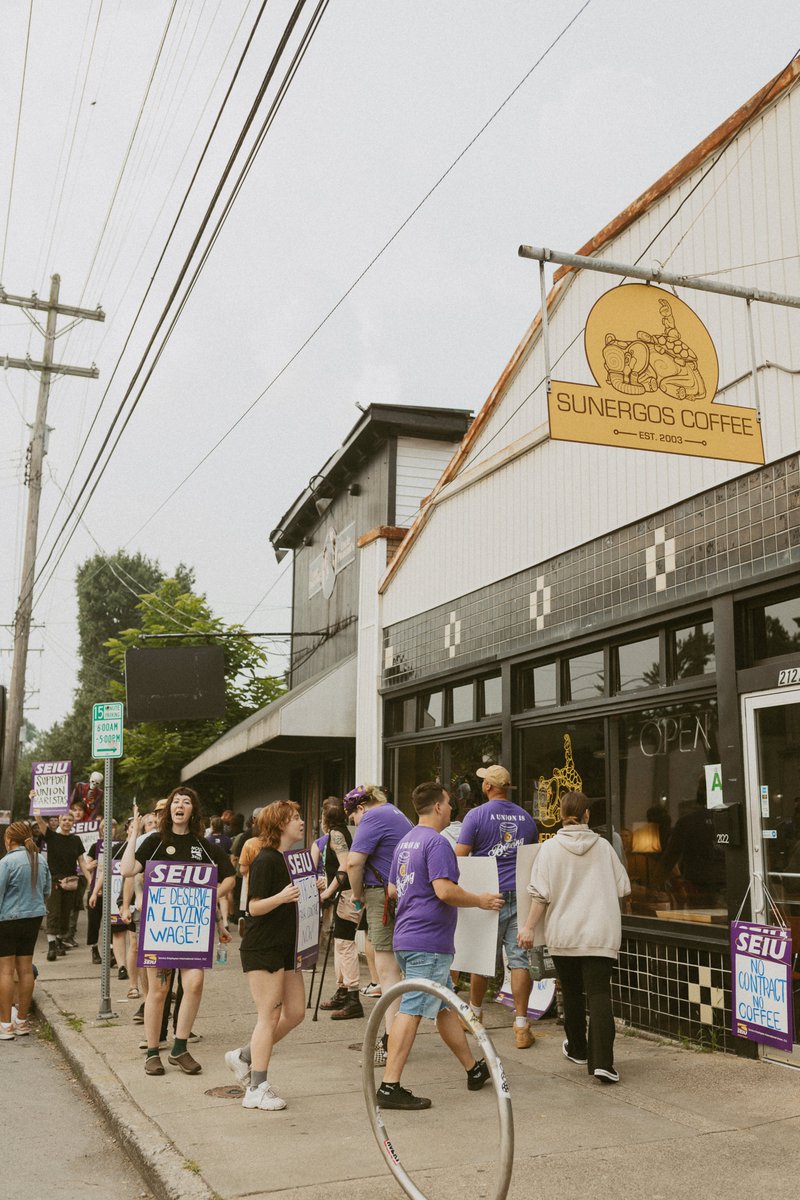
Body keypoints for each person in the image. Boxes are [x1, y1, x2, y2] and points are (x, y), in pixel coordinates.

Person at [375, 781, 504, 1110]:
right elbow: (445, 891)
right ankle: (390, 1086)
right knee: (414, 1009)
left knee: (446, 1006)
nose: (451, 808)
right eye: (448, 804)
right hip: (428, 940)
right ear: (438, 807)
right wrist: (481, 900)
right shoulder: (436, 843)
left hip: (408, 937)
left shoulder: (406, 841)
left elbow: (392, 889)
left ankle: (473, 1069)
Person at [517, 790, 631, 1084]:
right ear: (587, 815)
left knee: (571, 992)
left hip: (564, 934)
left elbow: (540, 896)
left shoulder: (550, 849)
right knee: (599, 993)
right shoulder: (604, 847)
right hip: (600, 933)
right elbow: (623, 888)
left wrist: (528, 927)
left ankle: (578, 1049)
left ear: (562, 814)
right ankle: (604, 1062)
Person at [120, 787, 234, 1076]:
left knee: (194, 984)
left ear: (193, 810)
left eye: (186, 802)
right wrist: (134, 832)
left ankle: (179, 1047)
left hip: (193, 931)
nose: (180, 806)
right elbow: (127, 869)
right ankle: (151, 1051)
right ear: (169, 809)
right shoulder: (155, 842)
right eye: (176, 802)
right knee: (158, 991)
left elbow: (230, 875)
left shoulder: (203, 845)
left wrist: (213, 899)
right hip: (160, 930)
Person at [225, 802, 312, 1111]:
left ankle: (245, 1055)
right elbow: (253, 907)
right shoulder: (265, 859)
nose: (301, 822)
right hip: (263, 948)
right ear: (279, 825)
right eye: (295, 818)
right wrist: (283, 896)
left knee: (296, 1012)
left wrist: (316, 890)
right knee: (269, 1016)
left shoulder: (289, 860)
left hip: (286, 947)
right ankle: (256, 1087)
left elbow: (295, 899)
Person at [456, 764, 539, 1047]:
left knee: (481, 958)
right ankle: (521, 1025)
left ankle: (475, 1015)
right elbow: (532, 856)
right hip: (519, 892)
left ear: (489, 787)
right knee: (518, 961)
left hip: (487, 895)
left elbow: (460, 856)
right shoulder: (526, 818)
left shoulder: (476, 815)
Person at [345, 784, 413, 1064]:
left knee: (387, 971)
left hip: (381, 896)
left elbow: (353, 863)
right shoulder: (397, 813)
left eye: (353, 820)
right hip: (404, 893)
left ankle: (390, 1040)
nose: (355, 826)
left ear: (360, 808)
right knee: (401, 967)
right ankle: (399, 1033)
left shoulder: (372, 817)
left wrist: (357, 896)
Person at [0, 820, 51, 1038]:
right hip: (33, 918)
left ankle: (5, 1025)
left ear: (9, 840)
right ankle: (21, 1021)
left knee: (5, 971)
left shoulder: (6, 862)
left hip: (8, 919)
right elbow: (47, 891)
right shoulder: (39, 859)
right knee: (26, 969)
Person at [318, 797, 363, 1020]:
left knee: (345, 944)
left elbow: (344, 866)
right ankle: (343, 990)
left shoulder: (336, 835)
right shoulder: (344, 832)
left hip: (346, 894)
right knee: (341, 943)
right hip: (345, 893)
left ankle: (352, 997)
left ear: (326, 817)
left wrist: (328, 891)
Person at [32, 809, 93, 960]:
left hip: (71, 882)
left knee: (66, 914)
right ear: (59, 821)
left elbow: (82, 862)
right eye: (64, 819)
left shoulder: (76, 840)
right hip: (54, 881)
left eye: (70, 820)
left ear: (73, 823)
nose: (67, 822)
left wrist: (92, 881)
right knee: (54, 913)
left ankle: (59, 942)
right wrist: (35, 803)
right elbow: (39, 820)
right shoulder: (51, 836)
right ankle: (51, 947)